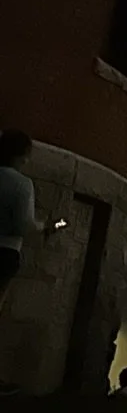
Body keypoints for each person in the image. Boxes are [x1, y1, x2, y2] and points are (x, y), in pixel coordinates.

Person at [0, 130, 60, 315]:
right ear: (22, 154)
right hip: (5, 252)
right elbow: (23, 225)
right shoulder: (22, 184)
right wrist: (45, 226)